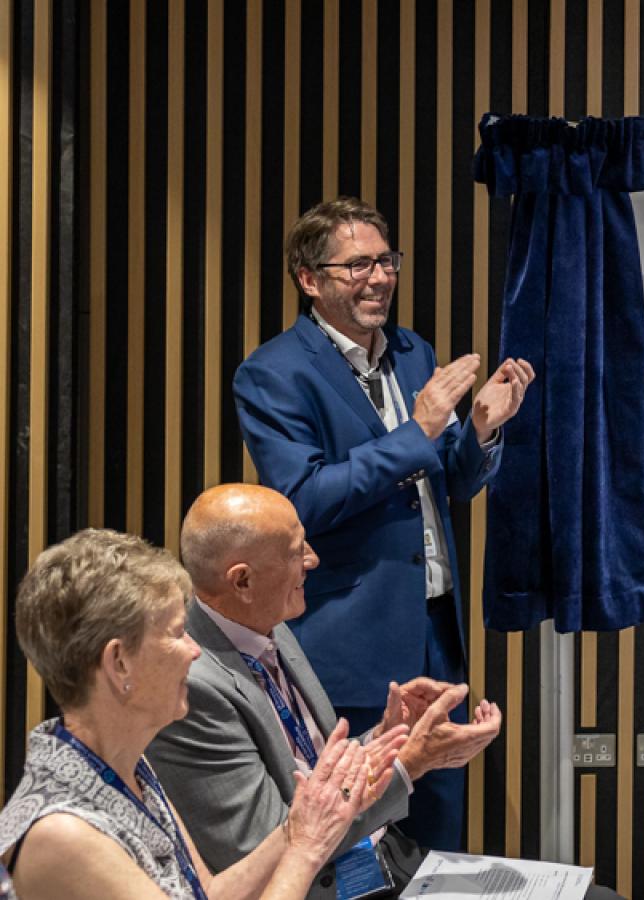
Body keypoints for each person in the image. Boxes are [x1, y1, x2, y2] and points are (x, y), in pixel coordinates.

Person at [233, 196, 535, 851]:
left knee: (437, 830)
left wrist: (481, 428)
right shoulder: (274, 373)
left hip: (434, 625)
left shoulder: (412, 351)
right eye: (358, 266)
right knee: (357, 835)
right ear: (308, 279)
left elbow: (449, 479)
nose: (379, 278)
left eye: (387, 262)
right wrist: (420, 427)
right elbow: (303, 498)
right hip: (348, 640)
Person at [0, 528, 405, 900]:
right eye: (177, 634)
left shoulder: (127, 763)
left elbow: (209, 892)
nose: (195, 651)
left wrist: (301, 822)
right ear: (118, 663)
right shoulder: (62, 834)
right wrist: (307, 846)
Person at [147, 484, 503, 900]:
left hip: (379, 860)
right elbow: (272, 842)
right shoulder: (191, 684)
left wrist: (388, 737)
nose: (313, 560)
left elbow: (316, 767)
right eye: (297, 551)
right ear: (242, 580)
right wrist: (407, 763)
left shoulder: (271, 621)